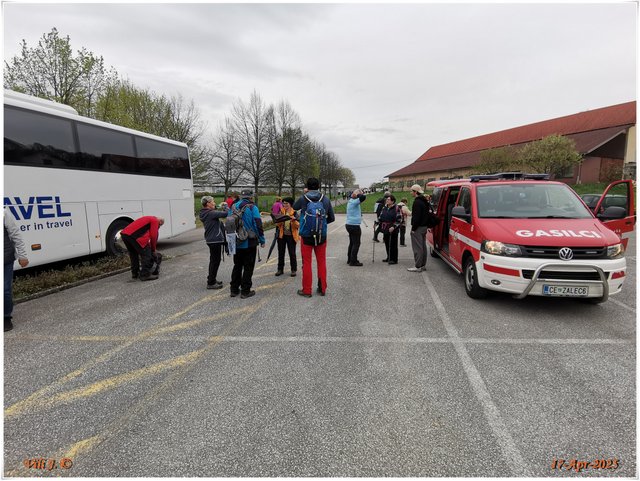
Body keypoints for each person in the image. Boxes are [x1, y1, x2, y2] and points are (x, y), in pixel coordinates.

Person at [293, 177, 335, 297]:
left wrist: (304, 194)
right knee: (321, 262)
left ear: (307, 186)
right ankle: (322, 288)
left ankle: (307, 290)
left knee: (306, 263)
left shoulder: (303, 198)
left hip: (306, 235)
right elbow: (332, 218)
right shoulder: (325, 199)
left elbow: (294, 207)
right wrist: (322, 224)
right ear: (319, 186)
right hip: (321, 235)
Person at [230, 190, 265, 299]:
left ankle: (234, 290)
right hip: (249, 241)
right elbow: (258, 224)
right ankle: (245, 291)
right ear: (251, 197)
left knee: (237, 266)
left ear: (241, 196)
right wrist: (262, 239)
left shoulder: (233, 206)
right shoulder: (252, 207)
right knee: (248, 267)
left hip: (236, 241)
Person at [4, 211, 29, 332]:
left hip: (5, 258)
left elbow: (16, 235)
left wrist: (22, 256)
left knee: (5, 290)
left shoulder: (3, 214)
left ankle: (6, 318)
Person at [120, 216, 164, 281]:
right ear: (160, 222)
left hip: (125, 235)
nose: (159, 226)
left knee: (133, 255)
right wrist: (153, 249)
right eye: (160, 225)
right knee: (146, 254)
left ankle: (135, 274)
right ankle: (145, 275)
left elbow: (146, 236)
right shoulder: (155, 221)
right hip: (134, 236)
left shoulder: (148, 218)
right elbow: (153, 236)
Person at [199, 196, 229, 289]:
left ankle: (212, 279)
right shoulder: (211, 213)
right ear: (208, 203)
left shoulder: (205, 213)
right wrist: (225, 206)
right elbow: (225, 214)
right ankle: (211, 282)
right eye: (213, 201)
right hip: (215, 240)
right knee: (215, 261)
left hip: (211, 239)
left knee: (214, 260)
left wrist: (220, 207)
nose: (214, 203)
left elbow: (217, 212)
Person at [408, 184, 432, 272]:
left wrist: (413, 229)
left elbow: (416, 218)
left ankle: (417, 266)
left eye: (411, 191)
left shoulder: (417, 202)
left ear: (415, 192)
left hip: (418, 227)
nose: (410, 192)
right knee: (423, 246)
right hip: (424, 226)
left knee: (417, 247)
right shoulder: (424, 201)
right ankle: (422, 265)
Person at [275, 197, 299, 277]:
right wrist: (279, 220)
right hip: (282, 235)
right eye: (283, 203)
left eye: (286, 203)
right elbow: (277, 225)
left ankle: (293, 269)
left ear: (290, 204)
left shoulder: (294, 213)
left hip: (291, 236)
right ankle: (280, 269)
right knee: (281, 253)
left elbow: (298, 226)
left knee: (292, 253)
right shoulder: (281, 212)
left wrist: (294, 220)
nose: (284, 205)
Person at [379, 194, 402, 265]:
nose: (387, 200)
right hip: (385, 228)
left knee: (393, 244)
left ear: (393, 201)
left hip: (393, 229)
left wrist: (394, 227)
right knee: (387, 243)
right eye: (387, 199)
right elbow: (381, 216)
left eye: (388, 199)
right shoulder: (384, 207)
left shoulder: (397, 208)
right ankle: (389, 257)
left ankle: (394, 259)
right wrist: (377, 222)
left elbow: (399, 220)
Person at [345, 189, 366, 266]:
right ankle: (353, 261)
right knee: (356, 243)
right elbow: (363, 197)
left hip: (349, 224)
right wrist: (357, 194)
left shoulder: (351, 201)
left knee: (352, 243)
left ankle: (350, 259)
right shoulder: (355, 201)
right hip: (354, 225)